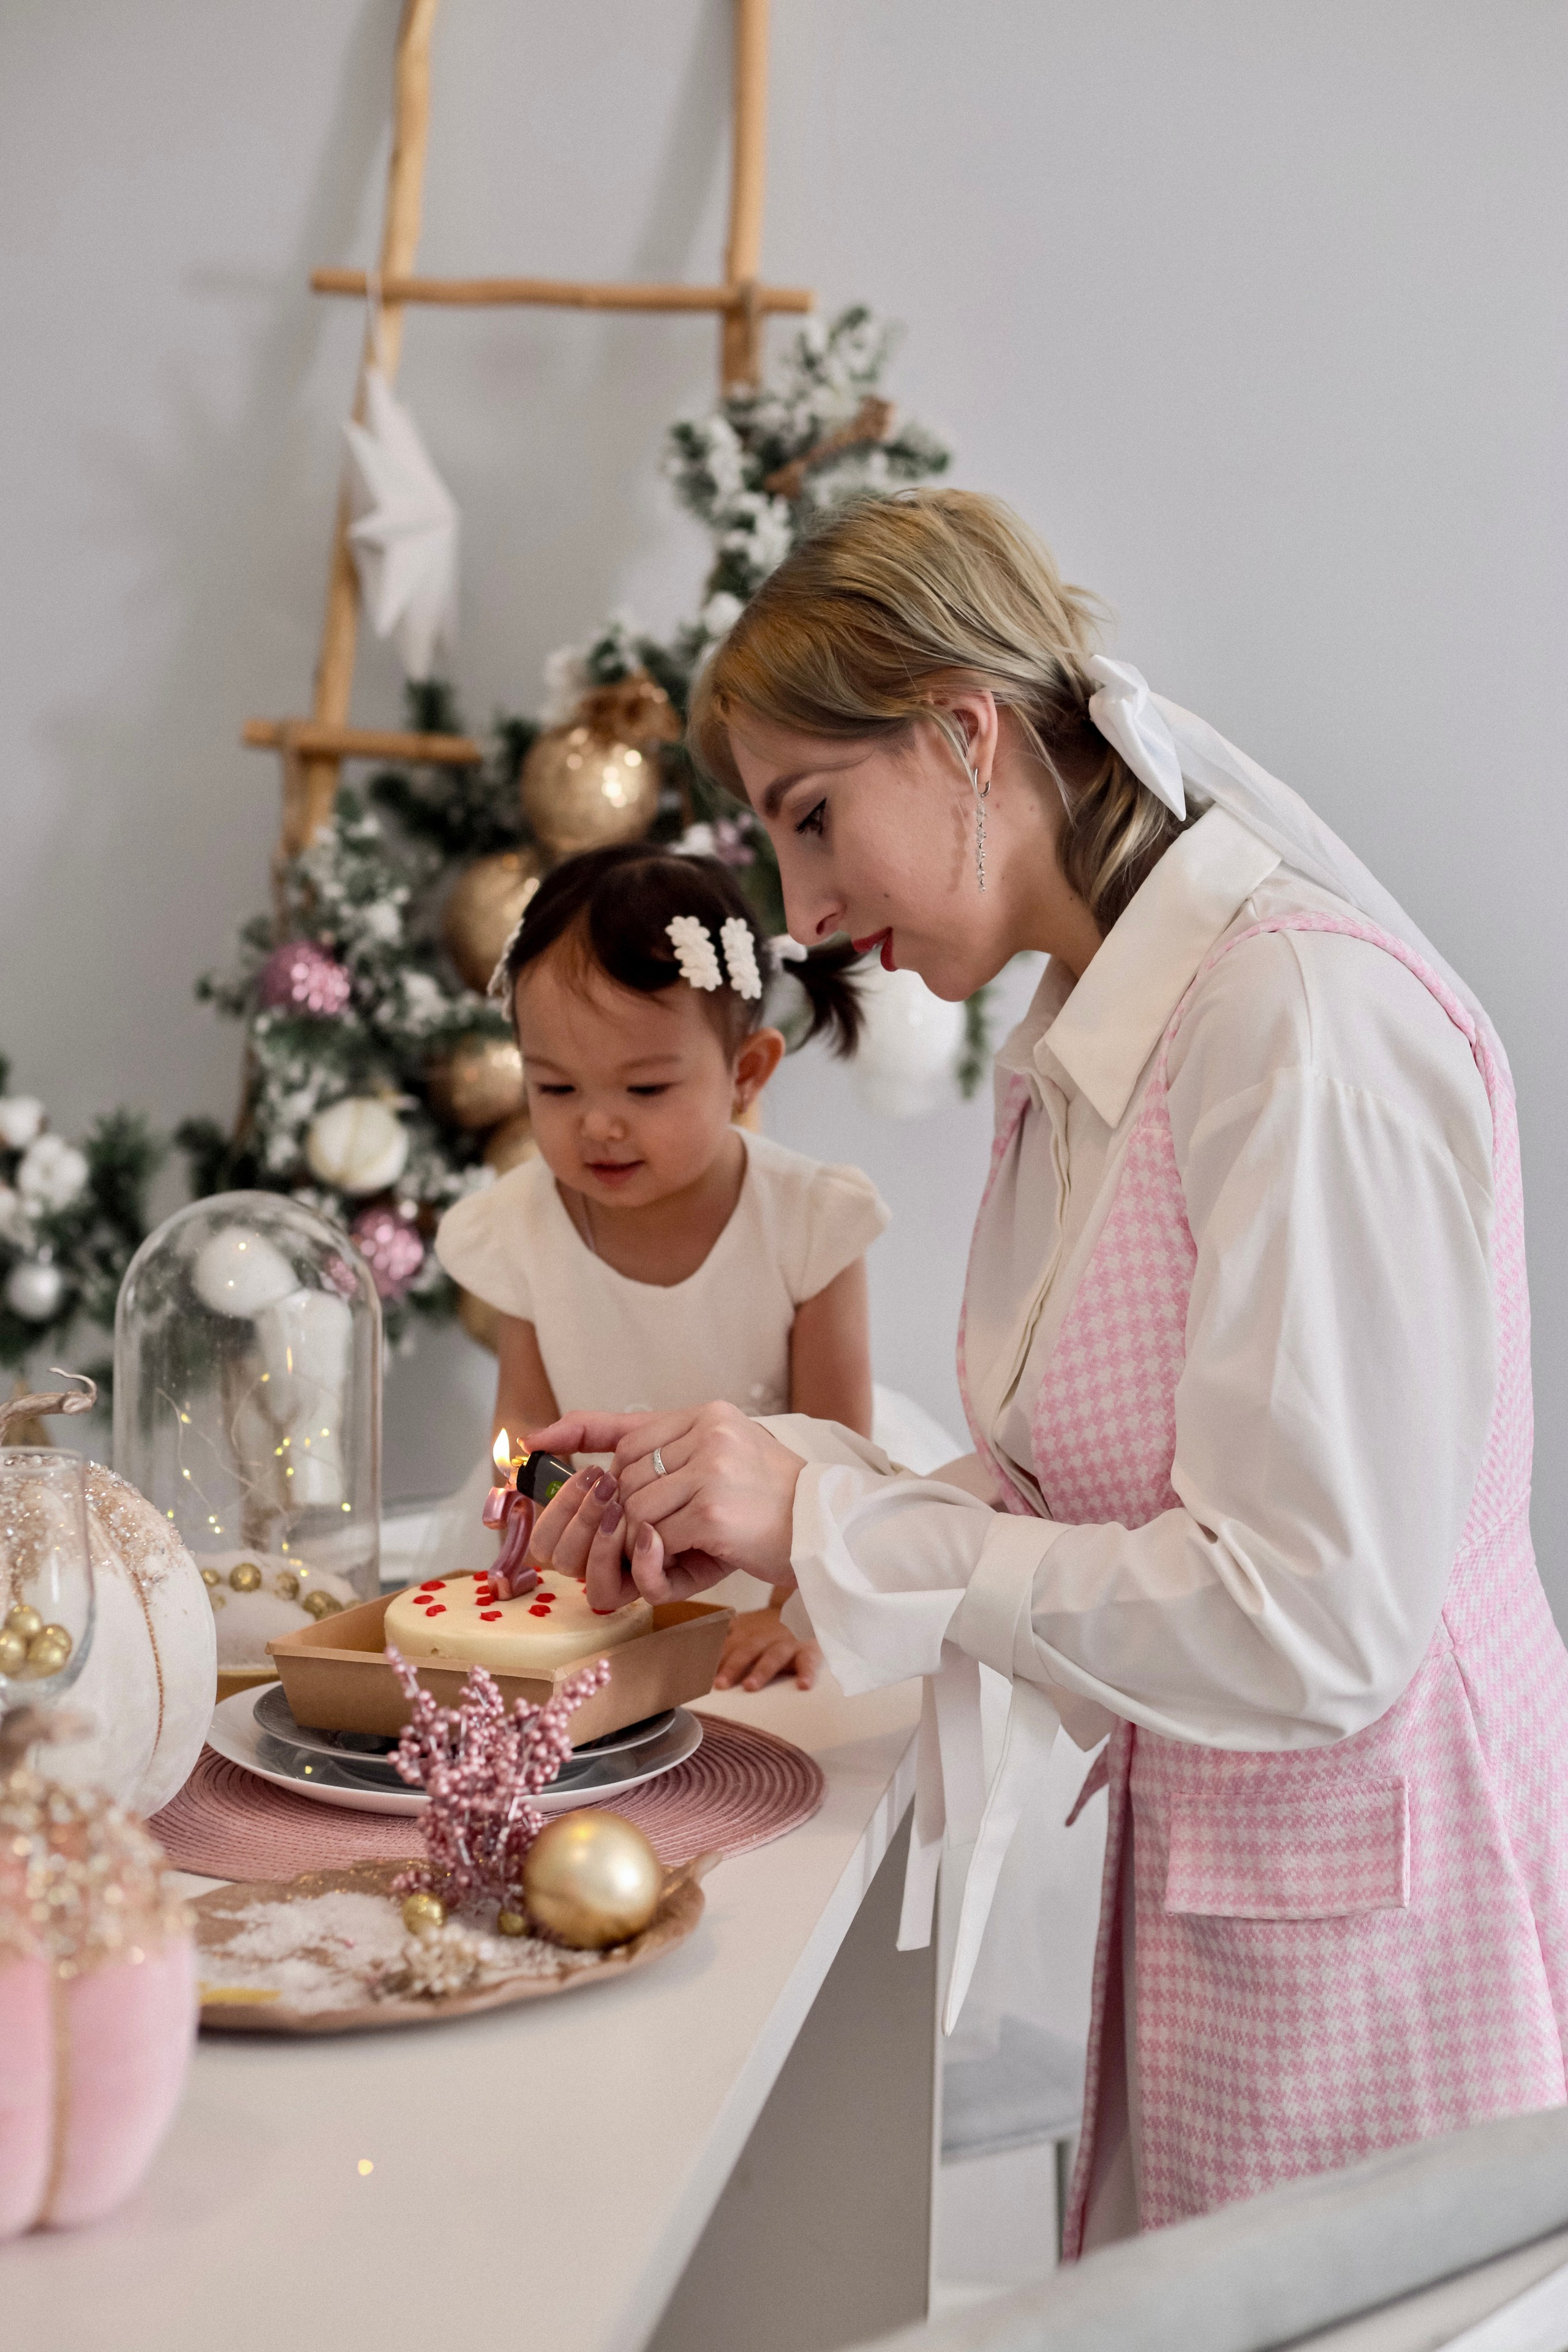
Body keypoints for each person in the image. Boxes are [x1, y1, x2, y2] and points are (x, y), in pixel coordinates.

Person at [519, 488, 1568, 2251]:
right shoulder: (1094, 1032)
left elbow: (1307, 1621)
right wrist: (777, 1495)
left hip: (1397, 1938)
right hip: (1242, 1915)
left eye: (813, 817)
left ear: (963, 729)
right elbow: (1078, 1491)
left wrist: (845, 1530)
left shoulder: (1292, 1034)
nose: (809, 904)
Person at [432, 841, 888, 1691]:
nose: (598, 1125)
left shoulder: (808, 1222)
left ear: (745, 1073)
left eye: (644, 1091)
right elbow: (525, 1431)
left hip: (769, 1566)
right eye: (556, 1089)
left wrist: (791, 1612)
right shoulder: (524, 1223)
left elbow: (839, 1452)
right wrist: (546, 1546)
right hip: (590, 1566)